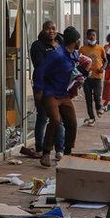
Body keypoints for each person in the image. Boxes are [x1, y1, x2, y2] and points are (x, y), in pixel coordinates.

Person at [32, 26, 83, 167]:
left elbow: (73, 69)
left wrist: (78, 77)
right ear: (73, 41)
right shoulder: (56, 55)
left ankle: (67, 152)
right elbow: (40, 71)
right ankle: (46, 153)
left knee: (72, 121)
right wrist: (39, 90)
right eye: (78, 39)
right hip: (50, 93)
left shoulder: (74, 54)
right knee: (55, 120)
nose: (80, 42)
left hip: (63, 93)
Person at [21, 21, 65, 159]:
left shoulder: (60, 44)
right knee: (43, 117)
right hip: (43, 87)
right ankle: (40, 148)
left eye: (53, 28)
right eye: (48, 29)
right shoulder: (37, 46)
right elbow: (41, 66)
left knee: (59, 119)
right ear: (43, 30)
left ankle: (59, 150)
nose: (51, 31)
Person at [79, 29, 105, 126]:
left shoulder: (100, 48)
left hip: (97, 77)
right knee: (88, 98)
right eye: (89, 35)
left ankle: (99, 107)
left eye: (93, 35)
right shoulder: (82, 49)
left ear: (96, 36)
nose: (92, 37)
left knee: (97, 96)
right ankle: (91, 118)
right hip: (87, 78)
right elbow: (79, 62)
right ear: (87, 37)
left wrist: (102, 68)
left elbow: (105, 60)